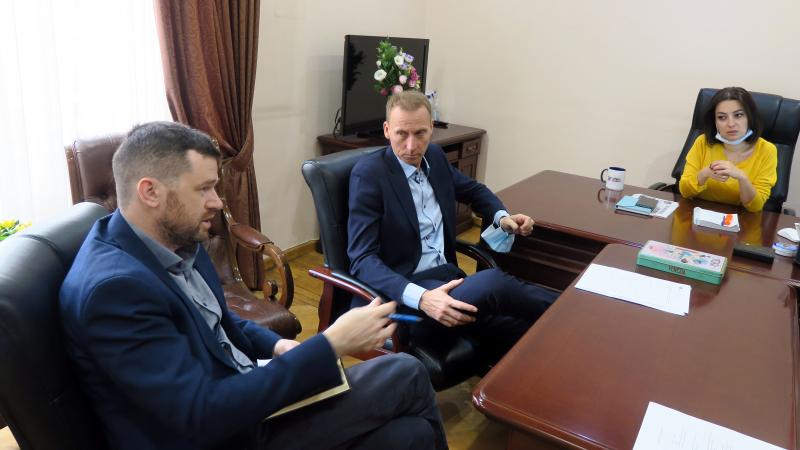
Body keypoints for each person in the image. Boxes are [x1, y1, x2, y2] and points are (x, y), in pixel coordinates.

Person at [59, 121, 446, 450]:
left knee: (410, 434)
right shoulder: (115, 291)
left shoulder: (173, 242)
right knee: (406, 372)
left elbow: (221, 322)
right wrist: (329, 345)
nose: (216, 202)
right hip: (220, 433)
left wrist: (278, 346)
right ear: (150, 192)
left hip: (238, 398)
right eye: (203, 188)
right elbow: (198, 416)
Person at [347, 90, 558, 364]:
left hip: (448, 280)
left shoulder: (434, 157)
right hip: (405, 297)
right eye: (401, 134)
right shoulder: (369, 174)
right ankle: (573, 307)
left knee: (525, 333)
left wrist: (501, 217)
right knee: (493, 284)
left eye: (420, 133)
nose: (411, 146)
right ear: (387, 130)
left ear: (431, 128)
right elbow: (362, 259)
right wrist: (423, 298)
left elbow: (474, 190)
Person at [679, 86, 777, 212]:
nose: (731, 124)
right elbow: (685, 192)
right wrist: (704, 174)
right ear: (714, 122)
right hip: (698, 215)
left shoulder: (767, 150)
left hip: (740, 219)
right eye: (722, 117)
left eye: (738, 115)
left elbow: (755, 207)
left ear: (750, 117)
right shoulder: (702, 142)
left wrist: (742, 177)